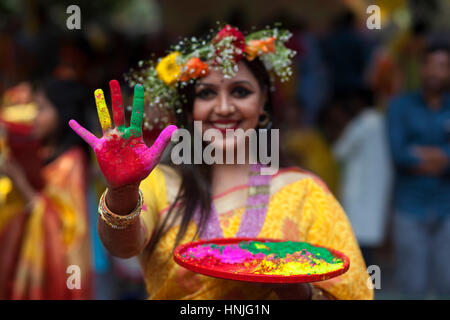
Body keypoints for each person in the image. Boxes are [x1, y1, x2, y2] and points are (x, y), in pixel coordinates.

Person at [69, 25, 373, 300]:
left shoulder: (304, 192)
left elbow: (352, 292)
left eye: (240, 91)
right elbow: (123, 247)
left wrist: (299, 292)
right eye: (207, 93)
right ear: (189, 110)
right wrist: (121, 192)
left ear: (264, 101)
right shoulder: (161, 183)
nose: (224, 107)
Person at [0, 79, 93, 299]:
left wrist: (21, 183)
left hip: (54, 267)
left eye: (41, 108)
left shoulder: (72, 162)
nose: (34, 116)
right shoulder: (41, 152)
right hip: (24, 252)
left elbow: (67, 225)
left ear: (62, 113)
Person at [387, 42, 450, 298]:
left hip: (447, 208)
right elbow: (399, 154)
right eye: (431, 65)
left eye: (443, 66)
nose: (436, 72)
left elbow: (409, 153)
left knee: (447, 285)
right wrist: (443, 157)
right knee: (413, 288)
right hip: (409, 208)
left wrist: (423, 155)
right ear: (421, 68)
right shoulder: (400, 106)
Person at [331, 89, 393, 266]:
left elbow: (338, 151)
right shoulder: (381, 122)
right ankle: (372, 286)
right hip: (373, 193)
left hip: (360, 194)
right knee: (370, 252)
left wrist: (341, 124)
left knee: (357, 253)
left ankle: (364, 289)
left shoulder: (363, 123)